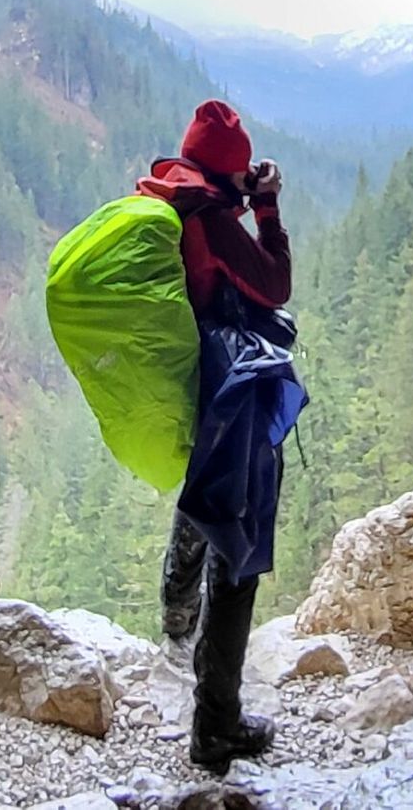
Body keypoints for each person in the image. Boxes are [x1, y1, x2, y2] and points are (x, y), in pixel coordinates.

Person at [136, 99, 292, 773]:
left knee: (202, 503)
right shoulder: (217, 223)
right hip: (231, 395)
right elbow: (275, 284)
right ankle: (216, 725)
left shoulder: (174, 199)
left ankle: (176, 621)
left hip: (194, 387)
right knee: (238, 549)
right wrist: (267, 210)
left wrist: (237, 193)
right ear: (227, 172)